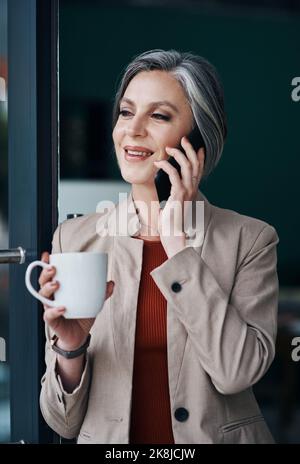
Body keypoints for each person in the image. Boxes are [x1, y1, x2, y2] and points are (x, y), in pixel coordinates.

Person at [39, 49, 279, 444]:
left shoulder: (250, 240)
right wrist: (70, 346)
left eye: (159, 116)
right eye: (126, 112)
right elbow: (62, 423)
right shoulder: (75, 238)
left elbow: (236, 372)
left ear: (197, 140)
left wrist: (176, 245)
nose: (132, 131)